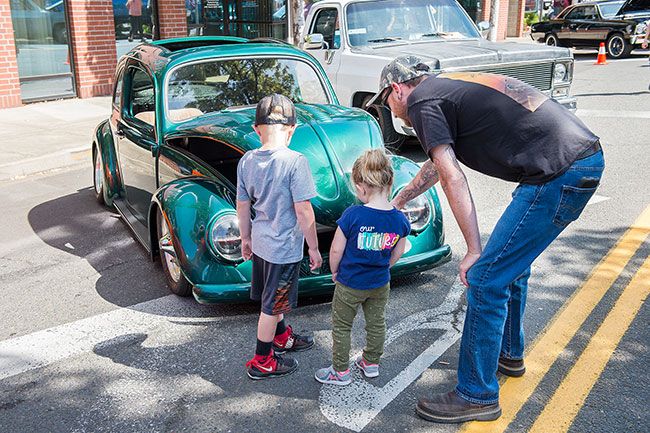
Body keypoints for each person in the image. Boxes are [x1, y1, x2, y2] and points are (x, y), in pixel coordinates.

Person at [367, 56, 604, 422]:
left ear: (397, 88)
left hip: (558, 170)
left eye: (387, 101)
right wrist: (398, 201)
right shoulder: (445, 91)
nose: (393, 111)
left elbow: (452, 178)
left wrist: (473, 250)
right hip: (575, 160)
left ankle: (476, 394)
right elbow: (435, 167)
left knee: (486, 277)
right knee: (510, 265)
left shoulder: (422, 102)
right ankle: (508, 353)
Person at [237, 94, 323, 380]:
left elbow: (243, 204)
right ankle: (262, 360)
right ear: (292, 129)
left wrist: (245, 239)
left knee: (273, 297)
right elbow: (303, 209)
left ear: (256, 129)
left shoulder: (247, 160)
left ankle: (282, 337)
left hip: (261, 244)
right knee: (271, 307)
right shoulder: (295, 161)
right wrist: (313, 247)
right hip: (283, 248)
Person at [315, 149, 410, 385]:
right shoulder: (399, 219)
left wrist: (334, 270)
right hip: (380, 282)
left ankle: (340, 371)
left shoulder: (352, 215)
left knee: (342, 326)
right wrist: (385, 265)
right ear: (389, 183)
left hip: (350, 282)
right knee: (376, 323)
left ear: (361, 186)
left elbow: (336, 249)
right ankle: (371, 363)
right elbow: (399, 250)